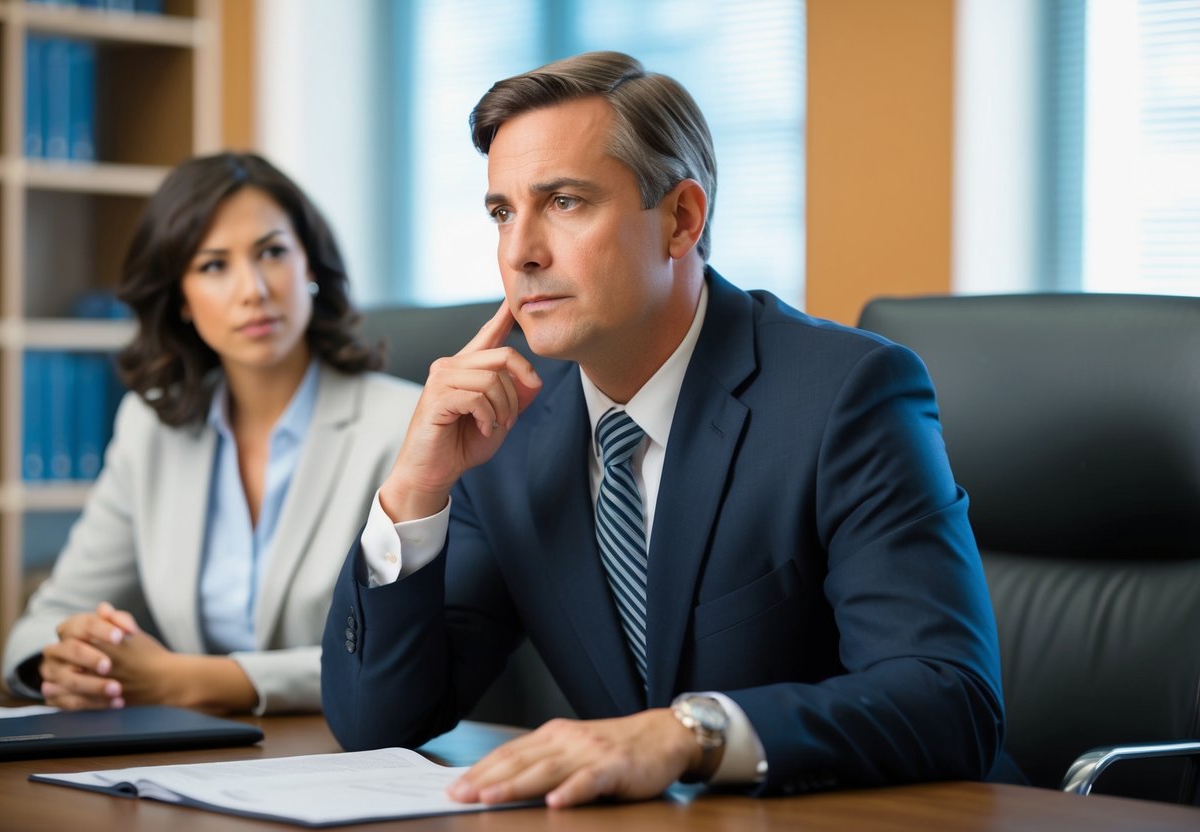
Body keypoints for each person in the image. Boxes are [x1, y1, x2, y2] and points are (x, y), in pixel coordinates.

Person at [322, 51, 1005, 804]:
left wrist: (688, 734)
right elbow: (377, 724)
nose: (519, 252)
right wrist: (415, 489)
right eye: (502, 212)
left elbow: (948, 699)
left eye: (565, 202)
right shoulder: (507, 425)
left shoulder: (844, 395)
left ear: (680, 219)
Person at [2, 152, 420, 714]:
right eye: (213, 265)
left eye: (272, 253)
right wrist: (67, 662)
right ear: (180, 298)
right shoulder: (151, 429)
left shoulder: (407, 426)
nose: (253, 290)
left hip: (351, 752)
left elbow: (399, 654)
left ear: (310, 266)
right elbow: (42, 624)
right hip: (203, 760)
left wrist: (188, 681)